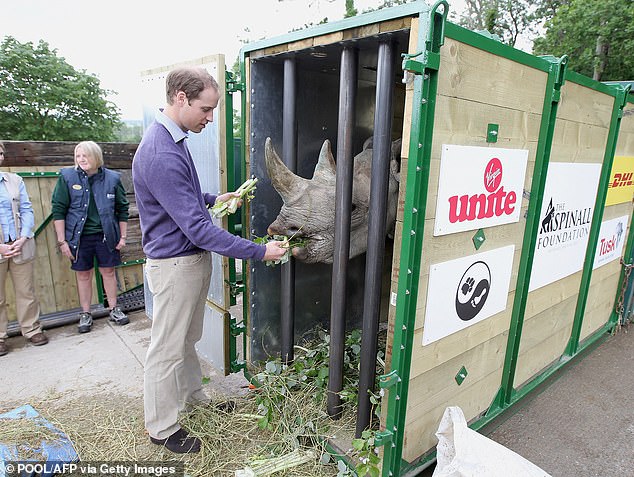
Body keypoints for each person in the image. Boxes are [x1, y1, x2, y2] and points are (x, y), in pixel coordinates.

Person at [133, 66, 288, 454]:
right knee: (166, 348)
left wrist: (212, 199)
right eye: (206, 109)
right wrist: (260, 252)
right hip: (175, 265)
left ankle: (192, 398)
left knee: (186, 339)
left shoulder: (175, 139)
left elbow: (180, 197)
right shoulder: (161, 151)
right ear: (181, 98)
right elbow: (198, 231)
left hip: (186, 262)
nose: (210, 117)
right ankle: (162, 427)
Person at [51, 141, 130, 334]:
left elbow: (122, 209)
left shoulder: (112, 178)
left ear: (97, 157)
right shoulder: (67, 177)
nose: (81, 160)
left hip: (106, 236)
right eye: (78, 156)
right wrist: (62, 241)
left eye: (85, 155)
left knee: (109, 272)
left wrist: (123, 237)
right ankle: (85, 313)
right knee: (83, 275)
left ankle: (114, 308)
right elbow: (58, 210)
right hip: (78, 238)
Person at [0, 141, 48, 356]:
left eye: (0, 152)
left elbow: (27, 209)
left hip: (19, 245)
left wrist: (24, 236)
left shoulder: (14, 180)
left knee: (25, 291)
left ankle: (31, 329)